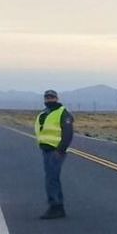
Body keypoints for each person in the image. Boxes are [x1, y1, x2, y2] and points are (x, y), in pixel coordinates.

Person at [35, 89, 74, 220]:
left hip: (56, 151)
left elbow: (68, 133)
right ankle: (58, 206)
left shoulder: (63, 113)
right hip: (46, 150)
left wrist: (60, 150)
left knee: (51, 179)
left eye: (51, 97)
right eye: (47, 98)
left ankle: (55, 207)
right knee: (51, 178)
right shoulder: (44, 114)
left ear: (56, 98)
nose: (49, 100)